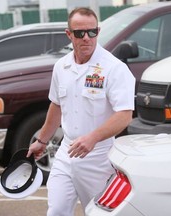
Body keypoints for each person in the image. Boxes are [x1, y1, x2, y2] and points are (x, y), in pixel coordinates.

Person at [27, 7, 135, 216]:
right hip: (66, 153)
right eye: (79, 33)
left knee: (97, 212)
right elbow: (56, 105)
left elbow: (124, 115)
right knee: (57, 211)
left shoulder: (114, 68)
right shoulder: (61, 67)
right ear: (69, 34)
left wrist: (92, 138)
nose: (86, 38)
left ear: (98, 31)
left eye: (92, 32)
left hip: (99, 157)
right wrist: (41, 141)